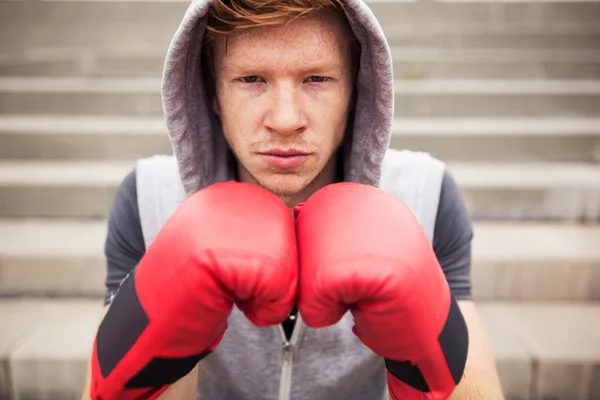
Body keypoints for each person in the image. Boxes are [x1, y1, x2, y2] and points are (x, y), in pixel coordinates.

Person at [81, 0, 505, 398]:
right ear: (212, 92)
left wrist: (422, 340)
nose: (286, 120)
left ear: (355, 89)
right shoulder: (149, 197)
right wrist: (173, 326)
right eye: (251, 79)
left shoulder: (425, 196)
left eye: (317, 79)